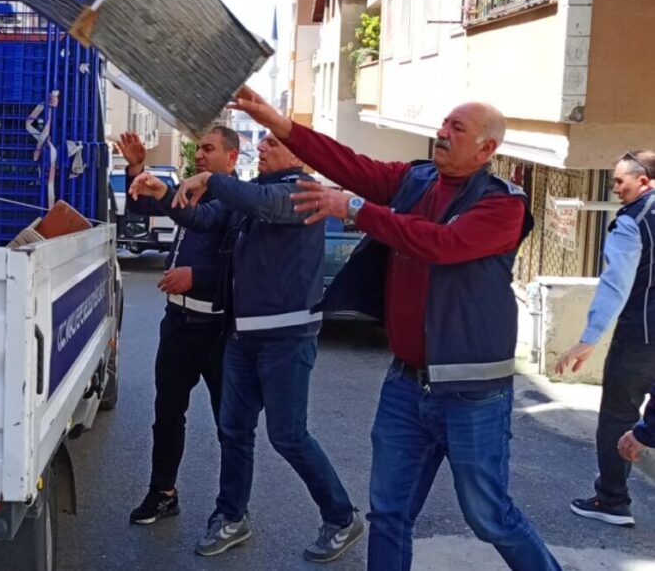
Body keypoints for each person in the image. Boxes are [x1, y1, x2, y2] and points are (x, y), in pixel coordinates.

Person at [229, 87, 560, 571]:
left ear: (487, 150)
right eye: (443, 124)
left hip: (471, 393)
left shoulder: (502, 205)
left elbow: (441, 244)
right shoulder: (416, 179)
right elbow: (351, 166)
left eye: (457, 129)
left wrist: (356, 210)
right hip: (406, 385)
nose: (442, 134)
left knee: (489, 516)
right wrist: (283, 126)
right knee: (388, 514)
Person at [129, 133, 364, 564]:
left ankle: (342, 516)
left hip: (286, 337)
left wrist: (210, 179)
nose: (265, 146)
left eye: (273, 141)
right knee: (234, 431)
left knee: (288, 436)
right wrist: (164, 192)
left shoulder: (302, 191)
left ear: (298, 154)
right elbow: (202, 219)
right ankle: (232, 516)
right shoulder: (252, 193)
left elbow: (265, 204)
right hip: (241, 336)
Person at [117, 127, 238, 525]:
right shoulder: (190, 190)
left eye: (209, 149)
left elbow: (237, 266)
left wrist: (196, 277)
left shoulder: (236, 201)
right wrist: (137, 167)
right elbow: (140, 210)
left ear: (232, 158)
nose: (199, 155)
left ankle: (232, 508)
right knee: (167, 413)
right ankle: (163, 493)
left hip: (217, 330)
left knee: (229, 424)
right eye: (198, 148)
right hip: (177, 324)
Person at [555, 150, 655, 527]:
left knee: (618, 415)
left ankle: (612, 499)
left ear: (643, 181)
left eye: (619, 181)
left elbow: (616, 284)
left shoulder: (634, 222)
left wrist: (588, 338)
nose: (614, 188)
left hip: (641, 337)